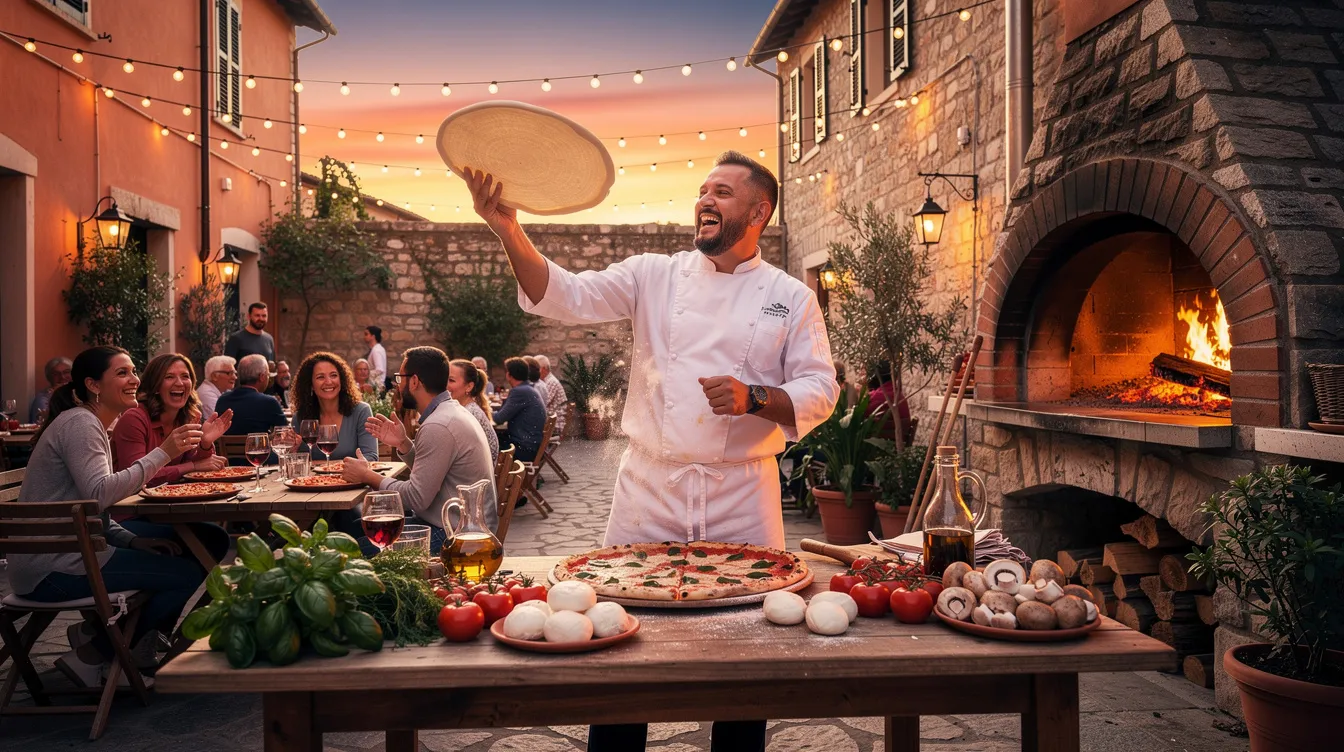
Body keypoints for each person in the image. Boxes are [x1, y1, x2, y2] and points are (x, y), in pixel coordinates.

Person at [468, 150, 837, 752]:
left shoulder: (790, 297)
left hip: (742, 493)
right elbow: (563, 294)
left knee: (745, 652)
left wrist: (755, 397)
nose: (705, 200)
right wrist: (507, 227)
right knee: (619, 642)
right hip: (649, 490)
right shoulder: (654, 275)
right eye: (702, 190)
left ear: (759, 211)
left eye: (721, 191)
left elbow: (821, 389)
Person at [10, 346, 227, 688]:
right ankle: (96, 652)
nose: (133, 379)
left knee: (204, 542)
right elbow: (100, 494)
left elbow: (87, 504)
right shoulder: (82, 424)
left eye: (133, 371)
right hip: (52, 569)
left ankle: (107, 639)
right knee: (185, 571)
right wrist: (164, 453)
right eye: (122, 373)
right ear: (93, 385)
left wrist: (133, 540)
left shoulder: (87, 422)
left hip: (61, 557)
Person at [345, 346, 495, 554]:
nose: (398, 386)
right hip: (459, 525)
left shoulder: (438, 425)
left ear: (414, 381)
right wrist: (404, 443)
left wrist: (367, 475)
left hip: (455, 537)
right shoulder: (451, 412)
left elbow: (416, 498)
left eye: (400, 379)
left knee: (349, 551)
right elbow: (434, 474)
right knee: (350, 526)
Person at [111, 354, 234, 486]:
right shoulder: (134, 419)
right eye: (169, 377)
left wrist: (205, 443)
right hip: (130, 504)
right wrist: (192, 466)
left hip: (172, 498)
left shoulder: (191, 417)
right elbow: (135, 478)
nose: (180, 383)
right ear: (156, 386)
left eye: (185, 376)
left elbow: (201, 467)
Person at [290, 352, 377, 461]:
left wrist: (339, 469)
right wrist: (291, 450)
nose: (329, 381)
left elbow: (371, 457)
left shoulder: (361, 412)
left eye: (334, 375)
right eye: (320, 377)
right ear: (311, 385)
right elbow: (295, 461)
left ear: (342, 380)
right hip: (313, 478)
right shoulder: (299, 418)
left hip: (351, 478)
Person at [216, 354, 287, 440]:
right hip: (260, 452)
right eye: (268, 375)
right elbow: (285, 434)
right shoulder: (269, 402)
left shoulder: (222, 400)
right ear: (262, 377)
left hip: (224, 453)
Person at [492, 357, 548, 463]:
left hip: (523, 448)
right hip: (531, 444)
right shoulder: (529, 389)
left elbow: (499, 418)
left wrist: (483, 413)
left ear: (509, 374)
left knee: (487, 443)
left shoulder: (520, 391)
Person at [448, 358, 499, 463]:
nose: (445, 385)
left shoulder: (468, 414)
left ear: (469, 387)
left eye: (451, 380)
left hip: (477, 477)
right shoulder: (468, 408)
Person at [28, 356, 72, 423]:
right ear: (49, 377)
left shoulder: (79, 394)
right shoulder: (43, 399)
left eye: (66, 372)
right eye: (56, 374)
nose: (62, 377)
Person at [534, 354, 569, 438]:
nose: (533, 372)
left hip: (554, 425)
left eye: (535, 369)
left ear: (544, 369)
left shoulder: (551, 382)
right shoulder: (546, 381)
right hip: (550, 421)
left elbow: (541, 404)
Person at [197, 355, 237, 420]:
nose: (235, 377)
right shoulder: (206, 394)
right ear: (214, 376)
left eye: (235, 373)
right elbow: (219, 421)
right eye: (230, 373)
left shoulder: (225, 391)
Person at [364, 325, 388, 392]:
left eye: (366, 334)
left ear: (373, 336)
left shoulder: (376, 350)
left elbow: (379, 369)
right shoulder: (378, 349)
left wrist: (365, 373)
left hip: (376, 387)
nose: (364, 337)